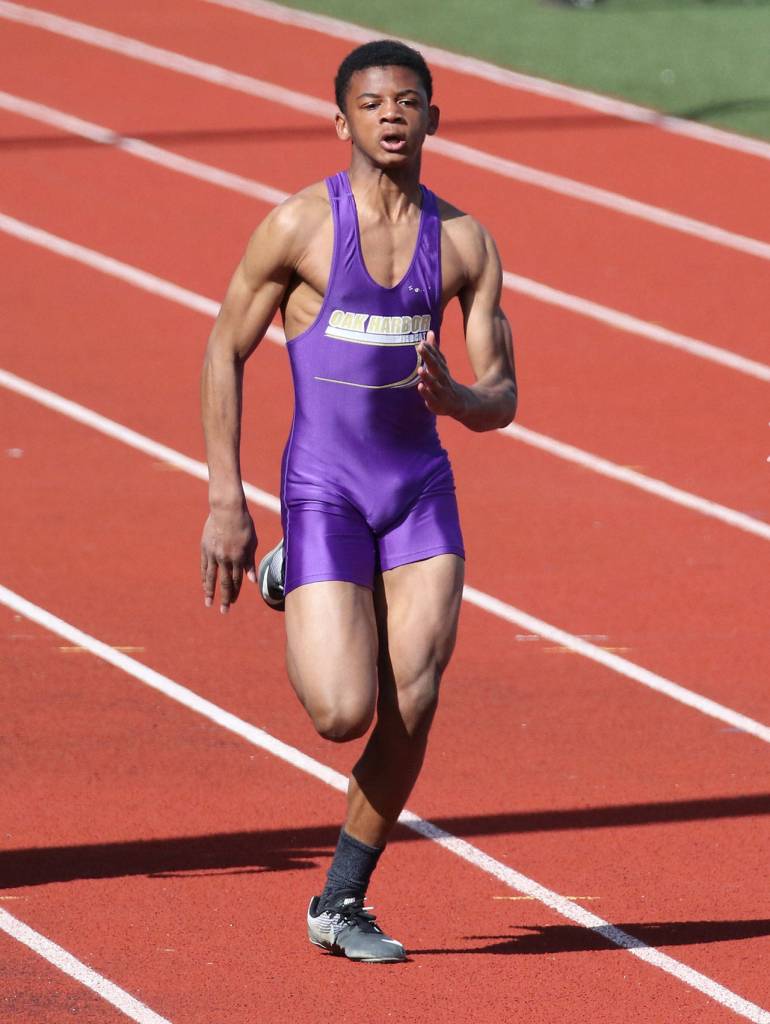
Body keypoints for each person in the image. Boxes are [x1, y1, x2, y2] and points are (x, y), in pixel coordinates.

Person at [200, 39, 517, 963]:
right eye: (372, 102)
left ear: (432, 118)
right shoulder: (299, 228)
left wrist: (459, 399)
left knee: (412, 697)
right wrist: (228, 499)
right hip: (325, 490)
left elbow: (503, 397)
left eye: (408, 101)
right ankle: (294, 566)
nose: (391, 114)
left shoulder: (463, 244)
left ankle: (342, 899)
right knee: (342, 710)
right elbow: (225, 346)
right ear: (341, 121)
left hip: (418, 490)